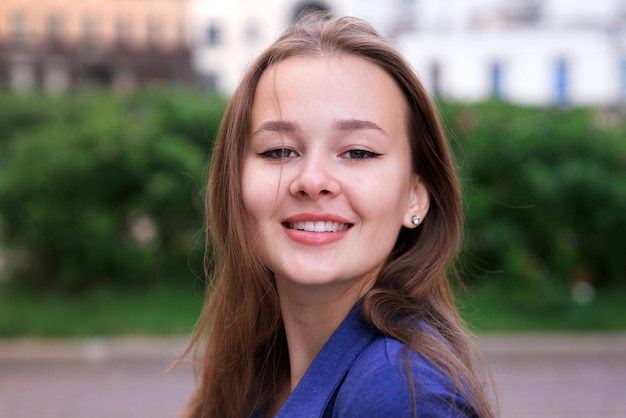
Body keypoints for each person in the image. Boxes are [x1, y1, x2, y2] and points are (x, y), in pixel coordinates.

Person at [180, 13, 496, 418]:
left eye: (357, 152)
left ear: (416, 196)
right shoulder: (255, 376)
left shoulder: (400, 395)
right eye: (279, 151)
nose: (312, 181)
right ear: (234, 183)